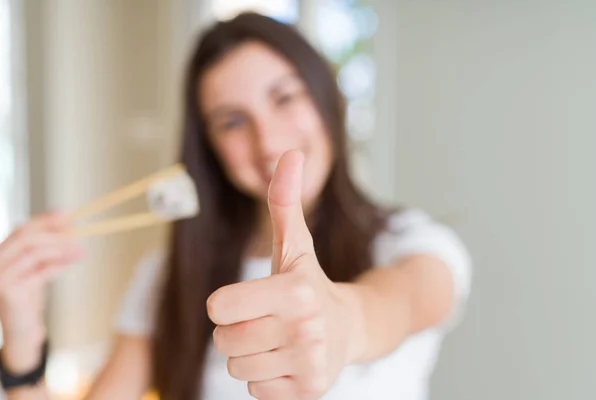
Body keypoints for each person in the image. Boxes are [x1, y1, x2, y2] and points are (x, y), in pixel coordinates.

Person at [0, 12, 471, 400]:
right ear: (209, 149)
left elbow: (398, 304)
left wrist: (344, 324)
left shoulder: (414, 246)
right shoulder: (168, 277)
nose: (267, 142)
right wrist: (21, 340)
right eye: (232, 121)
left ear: (326, 101)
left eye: (285, 97)